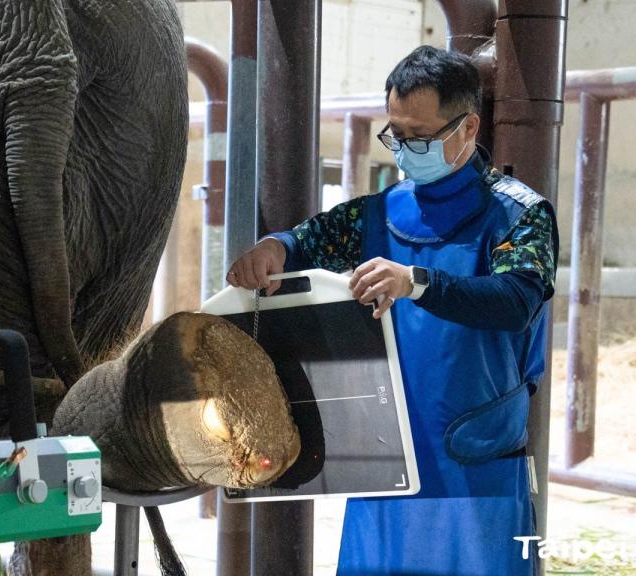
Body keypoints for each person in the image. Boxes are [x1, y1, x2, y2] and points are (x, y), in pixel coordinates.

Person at [227, 45, 558, 575]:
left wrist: (417, 283)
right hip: (389, 460)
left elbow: (515, 301)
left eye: (419, 137)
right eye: (396, 135)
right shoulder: (378, 214)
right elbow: (307, 240)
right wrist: (275, 247)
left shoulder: (518, 215)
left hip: (476, 464)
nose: (404, 149)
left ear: (468, 128)